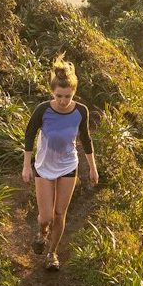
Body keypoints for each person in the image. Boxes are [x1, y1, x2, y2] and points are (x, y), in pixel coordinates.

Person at [22, 54, 98, 270]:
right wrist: (26, 165)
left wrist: (92, 168)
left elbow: (86, 139)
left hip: (68, 166)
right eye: (59, 96)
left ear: (73, 92)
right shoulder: (43, 110)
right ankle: (41, 232)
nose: (63, 101)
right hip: (44, 166)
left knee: (59, 214)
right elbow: (29, 135)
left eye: (67, 96)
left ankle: (52, 254)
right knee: (45, 216)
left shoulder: (81, 111)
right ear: (52, 92)